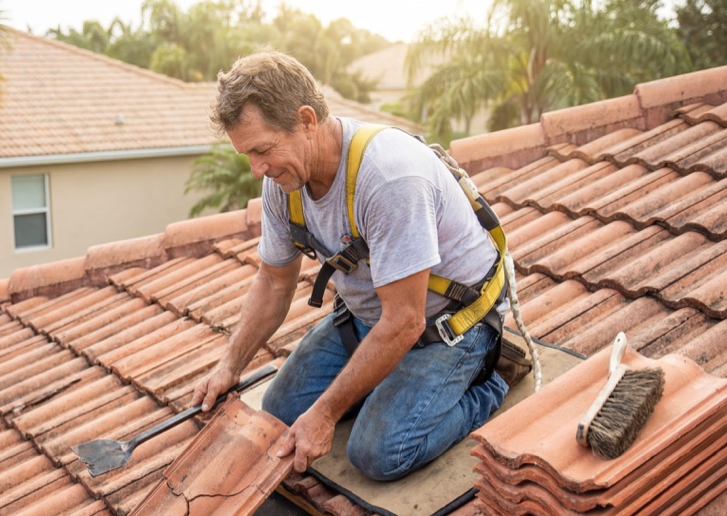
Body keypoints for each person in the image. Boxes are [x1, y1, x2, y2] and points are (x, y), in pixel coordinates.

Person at [191, 50, 510, 482]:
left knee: (378, 452)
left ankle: (486, 385)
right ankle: (388, 385)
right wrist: (231, 363)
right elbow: (272, 282)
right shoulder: (283, 184)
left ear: (306, 120)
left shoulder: (388, 178)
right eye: (248, 155)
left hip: (448, 326)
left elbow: (405, 321)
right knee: (279, 413)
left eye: (263, 150)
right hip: (368, 317)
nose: (256, 170)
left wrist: (325, 414)